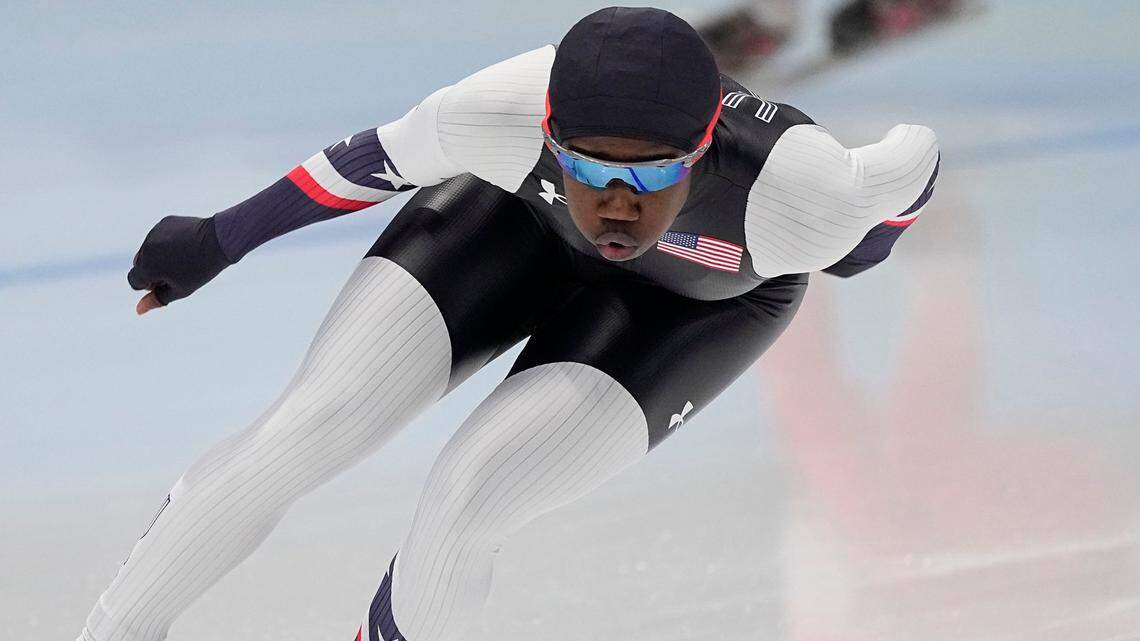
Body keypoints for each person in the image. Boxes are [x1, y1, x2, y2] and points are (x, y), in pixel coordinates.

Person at [77, 7, 939, 641]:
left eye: (650, 178)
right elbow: (368, 161)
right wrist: (216, 241)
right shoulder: (501, 108)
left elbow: (913, 159)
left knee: (467, 498)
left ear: (708, 143)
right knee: (304, 428)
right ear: (549, 128)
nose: (614, 204)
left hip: (695, 302)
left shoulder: (805, 196)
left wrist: (870, 241)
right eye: (587, 165)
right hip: (516, 225)